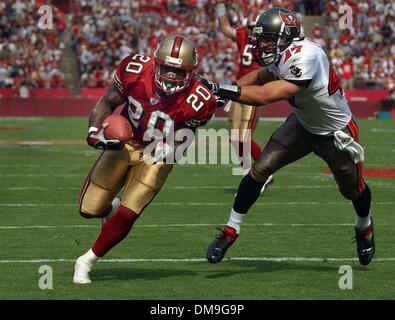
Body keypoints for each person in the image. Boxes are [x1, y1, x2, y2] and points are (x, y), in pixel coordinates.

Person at [205, 8, 375, 266]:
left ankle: (364, 226)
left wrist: (223, 90)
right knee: (260, 169)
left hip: (334, 132)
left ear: (286, 37)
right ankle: (231, 230)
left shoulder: (306, 55)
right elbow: (261, 76)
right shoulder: (283, 52)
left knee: (352, 189)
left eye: (266, 39)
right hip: (302, 124)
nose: (260, 45)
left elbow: (265, 95)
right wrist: (230, 87)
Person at [73, 35, 220, 284]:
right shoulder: (134, 70)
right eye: (166, 68)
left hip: (158, 151)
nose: (172, 76)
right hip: (125, 140)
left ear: (192, 72)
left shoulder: (201, 99)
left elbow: (188, 133)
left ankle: (86, 260)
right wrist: (93, 131)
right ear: (155, 62)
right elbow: (107, 102)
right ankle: (112, 210)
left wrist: (172, 149)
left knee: (130, 213)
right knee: (89, 209)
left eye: (179, 71)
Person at [215, 1, 274, 191]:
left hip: (254, 91)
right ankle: (249, 171)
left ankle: (265, 171)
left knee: (244, 136)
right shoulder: (242, 35)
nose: (252, 32)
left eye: (255, 28)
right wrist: (220, 7)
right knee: (234, 137)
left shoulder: (269, 42)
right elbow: (225, 27)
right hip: (238, 90)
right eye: (250, 28)